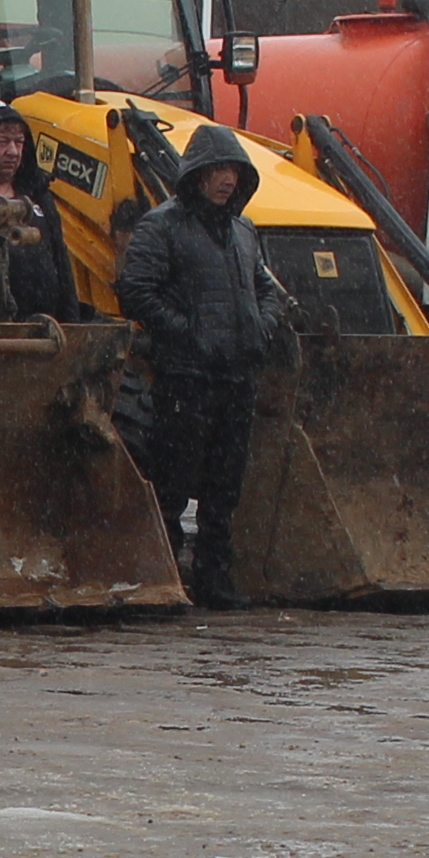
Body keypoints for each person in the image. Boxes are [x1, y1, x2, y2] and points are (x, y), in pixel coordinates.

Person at [114, 124, 280, 607]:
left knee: (225, 488)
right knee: (173, 482)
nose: (227, 180)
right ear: (197, 175)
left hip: (237, 377)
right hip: (185, 379)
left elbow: (265, 288)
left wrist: (262, 327)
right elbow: (136, 290)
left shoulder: (244, 231)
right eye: (218, 171)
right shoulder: (161, 226)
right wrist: (189, 335)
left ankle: (214, 580)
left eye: (234, 171)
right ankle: (165, 575)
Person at [0, 102, 78, 320]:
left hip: (45, 328)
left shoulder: (38, 195)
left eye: (19, 142)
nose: (12, 151)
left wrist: (71, 323)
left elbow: (61, 262)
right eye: (2, 142)